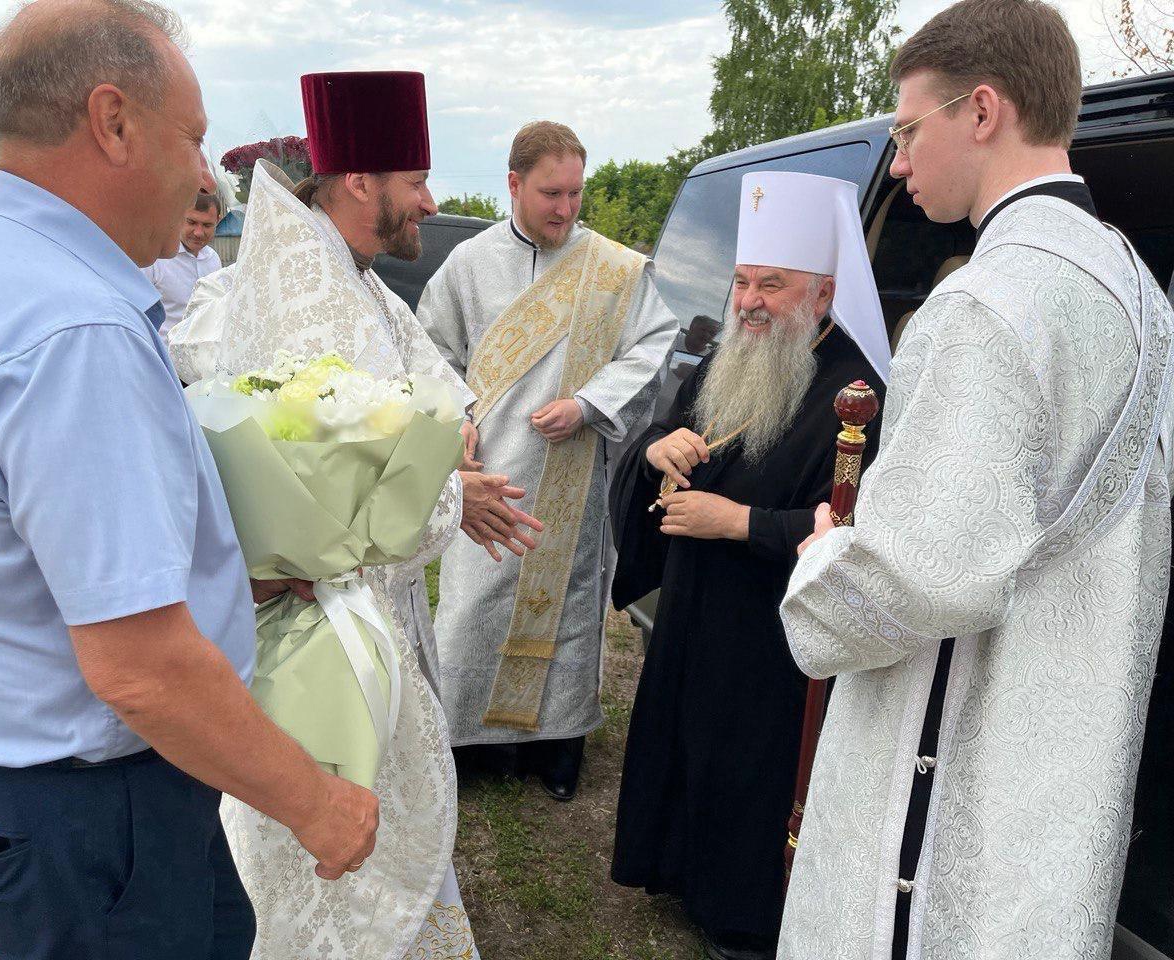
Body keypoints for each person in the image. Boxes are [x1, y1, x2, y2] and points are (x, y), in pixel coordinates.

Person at [0, 3, 378, 959]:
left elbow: (36, 552)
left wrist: (222, 582)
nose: (207, 174)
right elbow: (141, 670)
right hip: (97, 815)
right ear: (112, 122)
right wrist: (316, 803)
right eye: (194, 137)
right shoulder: (73, 331)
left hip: (31, 794)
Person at [776, 2, 1174, 958]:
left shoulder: (985, 302)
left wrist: (825, 561)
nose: (899, 161)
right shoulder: (1139, 289)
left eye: (909, 129)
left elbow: (929, 575)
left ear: (983, 110)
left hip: (954, 778)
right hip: (1069, 771)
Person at [171, 71, 496, 960]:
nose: (429, 200)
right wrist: (454, 492)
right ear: (360, 182)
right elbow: (395, 509)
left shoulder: (339, 274)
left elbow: (433, 420)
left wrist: (455, 474)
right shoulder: (320, 306)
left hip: (354, 617)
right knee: (345, 869)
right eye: (416, 179)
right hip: (329, 638)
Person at [609, 171, 890, 960]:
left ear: (824, 294)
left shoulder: (857, 393)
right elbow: (663, 435)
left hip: (771, 630)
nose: (750, 302)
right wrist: (655, 451)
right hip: (698, 609)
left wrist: (738, 523)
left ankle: (742, 916)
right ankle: (680, 874)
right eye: (742, 281)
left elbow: (861, 528)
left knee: (747, 765)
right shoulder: (729, 358)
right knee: (689, 739)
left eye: (773, 284)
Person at [418, 121, 679, 800]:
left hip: (571, 479)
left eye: (575, 193)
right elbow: (430, 358)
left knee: (565, 614)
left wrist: (590, 404)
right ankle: (468, 744)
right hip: (492, 480)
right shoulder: (469, 267)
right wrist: (455, 424)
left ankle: (557, 750)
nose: (566, 208)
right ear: (514, 184)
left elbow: (654, 344)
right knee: (474, 607)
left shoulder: (616, 269)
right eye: (550, 193)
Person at [141, 191, 221, 339]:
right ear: (178, 217)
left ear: (218, 221)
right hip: (164, 355)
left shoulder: (213, 259)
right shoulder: (155, 260)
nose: (198, 232)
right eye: (191, 222)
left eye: (207, 225)